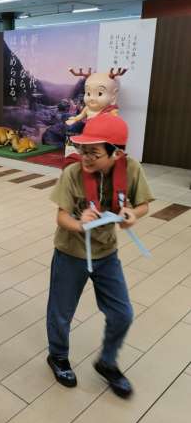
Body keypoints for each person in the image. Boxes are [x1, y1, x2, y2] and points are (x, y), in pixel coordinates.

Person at [46, 114, 153, 398]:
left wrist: (132, 214)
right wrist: (80, 223)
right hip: (71, 252)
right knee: (61, 312)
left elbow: (143, 205)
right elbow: (61, 217)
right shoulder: (73, 173)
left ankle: (107, 362)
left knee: (122, 313)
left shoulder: (131, 169)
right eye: (83, 149)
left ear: (116, 153)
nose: (85, 157)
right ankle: (58, 356)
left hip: (106, 253)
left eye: (94, 152)